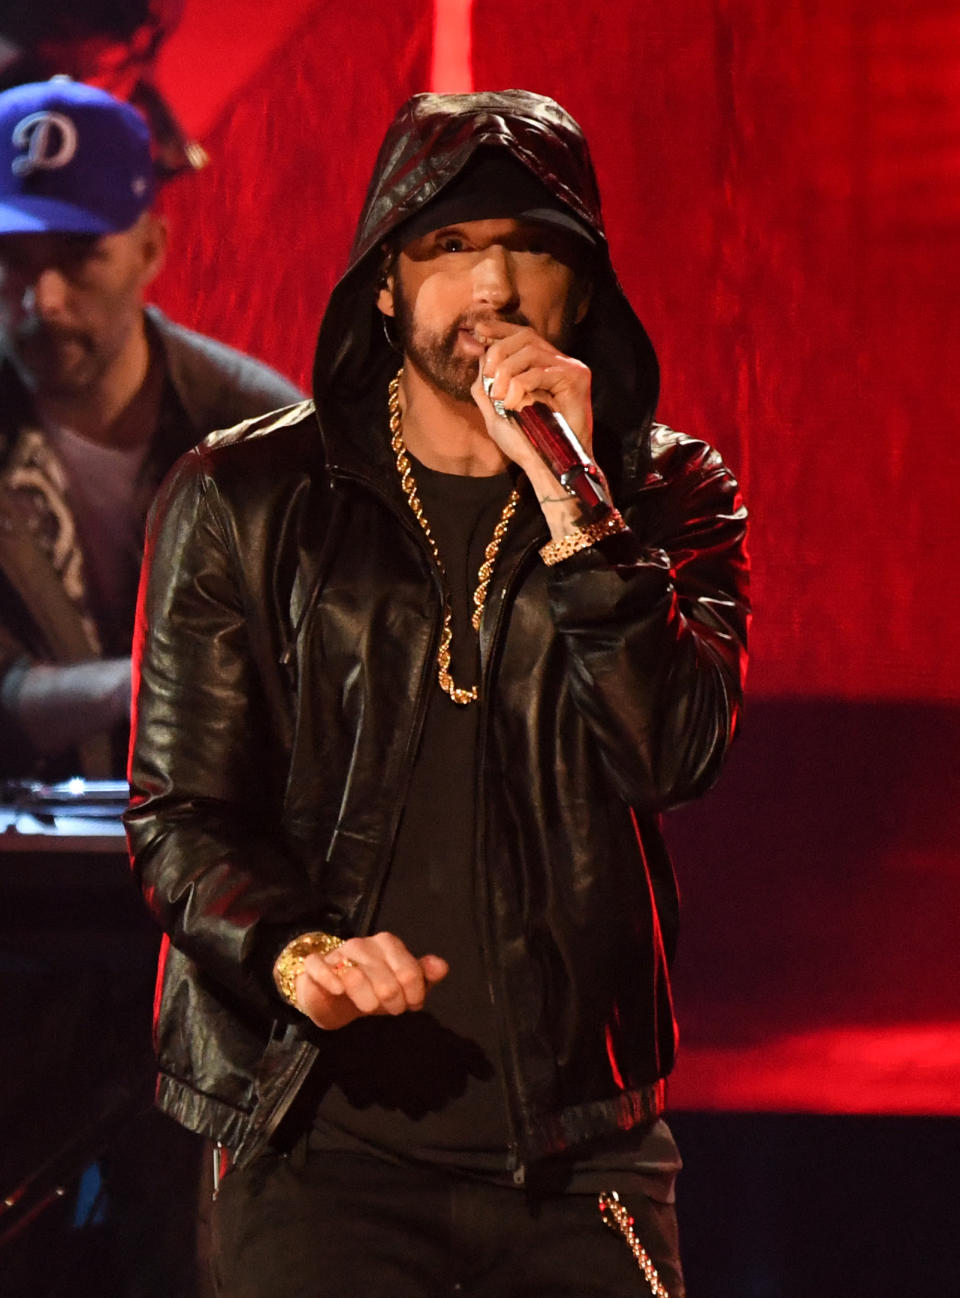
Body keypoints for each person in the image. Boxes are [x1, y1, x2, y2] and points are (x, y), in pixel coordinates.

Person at [126, 89, 750, 1298]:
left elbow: (675, 751)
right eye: (449, 248)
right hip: (321, 1146)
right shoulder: (243, 498)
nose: (493, 288)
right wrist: (294, 948)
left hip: (580, 1153)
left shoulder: (666, 495)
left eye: (530, 248)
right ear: (382, 280)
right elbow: (178, 816)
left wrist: (576, 504)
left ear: (584, 289)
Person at [0, 77, 303, 781]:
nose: (42, 299)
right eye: (12, 259)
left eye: (78, 257)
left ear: (152, 251)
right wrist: (161, 678)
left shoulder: (257, 427)